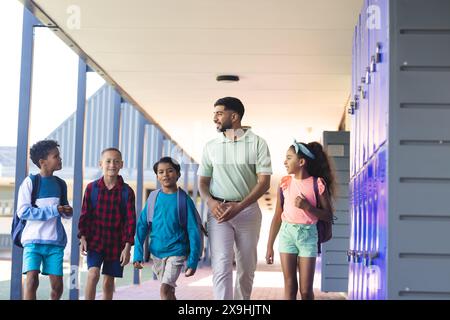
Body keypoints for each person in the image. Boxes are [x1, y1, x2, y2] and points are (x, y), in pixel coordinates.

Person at [198, 97, 272, 300]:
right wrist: (210, 202)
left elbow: (264, 183)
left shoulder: (257, 143)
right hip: (219, 211)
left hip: (247, 211)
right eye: (214, 114)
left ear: (234, 116)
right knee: (221, 265)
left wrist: (239, 207)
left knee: (246, 268)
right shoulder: (211, 146)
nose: (215, 118)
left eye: (219, 113)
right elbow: (203, 183)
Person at [265, 140, 336, 300]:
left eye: (289, 158)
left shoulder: (317, 184)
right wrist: (269, 245)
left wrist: (308, 207)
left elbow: (328, 215)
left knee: (305, 291)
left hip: (308, 236)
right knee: (289, 288)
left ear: (301, 162)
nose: (285, 161)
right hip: (287, 234)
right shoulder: (285, 183)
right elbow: (277, 216)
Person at [133, 157, 201, 300]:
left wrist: (193, 261)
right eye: (161, 172)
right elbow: (141, 226)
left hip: (177, 251)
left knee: (164, 290)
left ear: (177, 174)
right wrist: (138, 254)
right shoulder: (153, 198)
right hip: (157, 253)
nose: (165, 175)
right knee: (169, 292)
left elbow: (194, 231)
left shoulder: (184, 200)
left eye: (170, 171)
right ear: (157, 176)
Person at [15, 140, 72, 300]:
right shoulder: (30, 182)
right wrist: (54, 210)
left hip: (54, 243)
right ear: (43, 162)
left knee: (57, 287)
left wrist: (67, 212)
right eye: (56, 156)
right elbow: (23, 211)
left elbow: (62, 210)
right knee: (31, 281)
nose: (60, 159)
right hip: (32, 242)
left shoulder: (61, 184)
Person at [78, 147, 136, 300]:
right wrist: (82, 237)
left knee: (109, 282)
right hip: (95, 240)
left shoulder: (127, 192)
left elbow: (130, 221)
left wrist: (127, 247)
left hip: (116, 243)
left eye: (116, 161)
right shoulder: (92, 188)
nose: (112, 165)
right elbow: (85, 214)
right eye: (108, 161)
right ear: (100, 164)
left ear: (121, 164)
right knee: (92, 274)